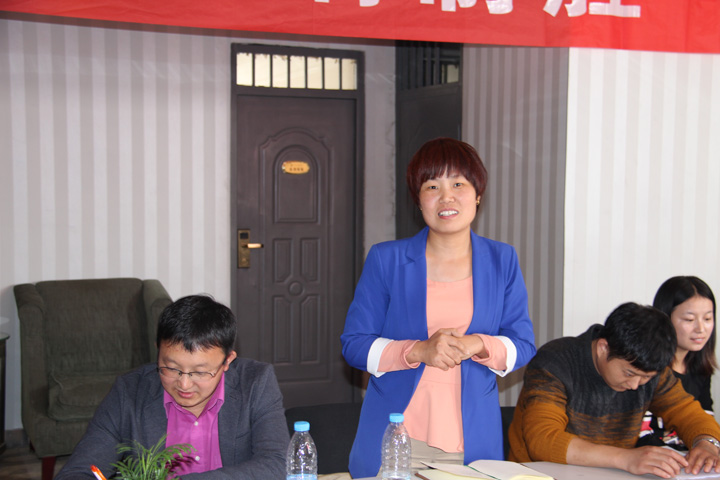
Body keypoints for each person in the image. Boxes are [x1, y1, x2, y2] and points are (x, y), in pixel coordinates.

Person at [341, 138, 537, 478]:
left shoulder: (502, 260)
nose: (446, 197)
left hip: (471, 443)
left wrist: (479, 344)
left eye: (458, 184)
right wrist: (418, 351)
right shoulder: (387, 259)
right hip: (397, 440)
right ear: (419, 199)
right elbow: (354, 345)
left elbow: (523, 345)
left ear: (478, 194)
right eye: (432, 186)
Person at [56, 295, 288, 479]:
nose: (184, 384)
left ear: (228, 360)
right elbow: (79, 471)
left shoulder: (256, 383)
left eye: (200, 372)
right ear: (158, 349)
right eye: (171, 368)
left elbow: (277, 464)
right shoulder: (129, 392)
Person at [508, 302, 720, 479]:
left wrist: (707, 443)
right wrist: (626, 458)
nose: (636, 385)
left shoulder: (648, 367)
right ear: (603, 348)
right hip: (537, 475)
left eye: (646, 378)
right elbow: (543, 440)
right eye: (629, 373)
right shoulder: (556, 362)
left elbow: (687, 412)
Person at [638, 276, 717, 449]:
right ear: (665, 318)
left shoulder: (700, 368)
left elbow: (704, 422)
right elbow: (637, 434)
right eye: (689, 320)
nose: (701, 329)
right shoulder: (644, 368)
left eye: (707, 319)